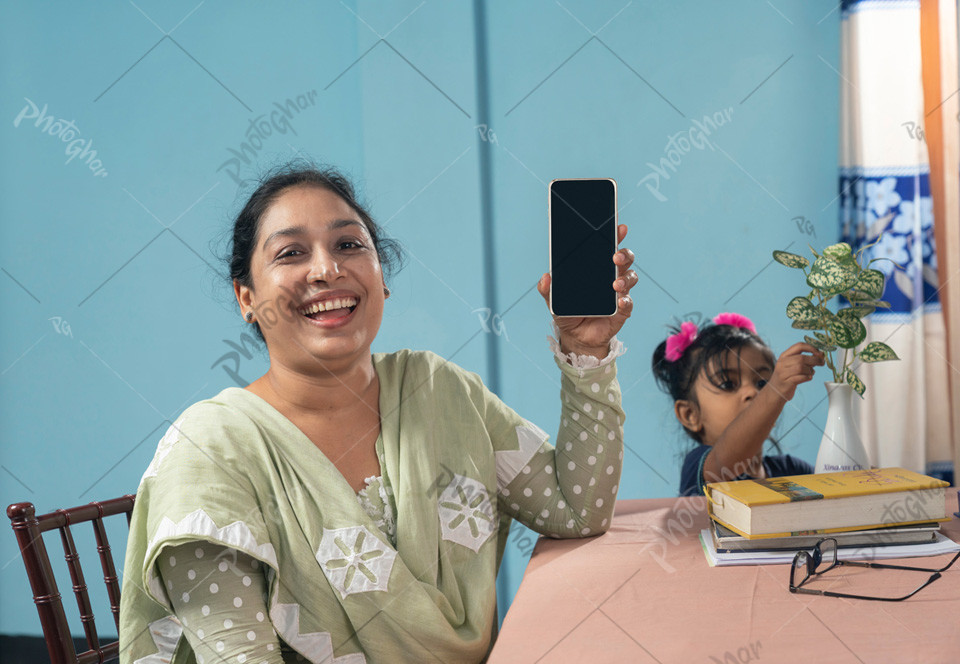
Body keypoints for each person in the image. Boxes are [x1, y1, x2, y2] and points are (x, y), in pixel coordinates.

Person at [119, 164, 638, 663]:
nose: (327, 269)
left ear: (382, 280)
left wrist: (585, 353)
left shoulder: (437, 392)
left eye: (349, 245)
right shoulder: (210, 451)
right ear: (247, 298)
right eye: (291, 252)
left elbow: (576, 508)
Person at [651, 313, 825, 497]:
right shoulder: (699, 467)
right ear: (689, 414)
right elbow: (725, 462)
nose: (753, 392)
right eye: (728, 384)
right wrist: (774, 391)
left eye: (762, 384)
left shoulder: (793, 471)